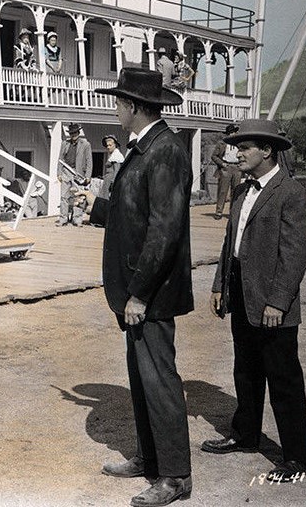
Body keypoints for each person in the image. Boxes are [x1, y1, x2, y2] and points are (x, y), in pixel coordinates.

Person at [95, 68, 192, 507]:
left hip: (149, 293)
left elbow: (164, 230)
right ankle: (148, 458)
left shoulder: (165, 150)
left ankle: (174, 477)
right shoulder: (143, 149)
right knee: (141, 377)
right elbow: (132, 216)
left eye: (118, 102)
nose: (115, 108)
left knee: (159, 380)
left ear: (133, 107)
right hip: (135, 290)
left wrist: (139, 292)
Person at [202, 119, 306, 483]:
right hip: (241, 295)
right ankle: (245, 435)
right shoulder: (240, 191)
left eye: (244, 148)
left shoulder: (292, 193)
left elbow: (294, 255)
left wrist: (278, 302)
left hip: (272, 305)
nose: (236, 154)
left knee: (283, 381)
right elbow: (229, 245)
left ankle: (296, 458)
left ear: (267, 150)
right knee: (246, 372)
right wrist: (221, 285)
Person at [57, 123, 92, 226]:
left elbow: (89, 160)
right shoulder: (65, 143)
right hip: (66, 172)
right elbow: (60, 159)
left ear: (78, 132)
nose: (73, 135)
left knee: (78, 197)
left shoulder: (85, 144)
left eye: (75, 133)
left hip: (78, 173)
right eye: (71, 133)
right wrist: (58, 173)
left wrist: (88, 176)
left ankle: (77, 219)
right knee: (64, 196)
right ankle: (63, 219)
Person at [211, 123, 243, 219]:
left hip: (237, 167)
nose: (232, 134)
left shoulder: (240, 144)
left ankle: (233, 212)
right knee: (222, 191)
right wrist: (222, 164)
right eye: (230, 133)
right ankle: (219, 212)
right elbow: (214, 156)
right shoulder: (222, 144)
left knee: (236, 191)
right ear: (227, 134)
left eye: (233, 132)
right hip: (226, 167)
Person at [98, 135, 124, 200]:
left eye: (110, 145)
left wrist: (113, 182)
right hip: (107, 179)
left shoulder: (117, 155)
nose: (108, 147)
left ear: (115, 145)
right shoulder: (112, 155)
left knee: (107, 198)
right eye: (107, 145)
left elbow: (117, 170)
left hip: (111, 180)